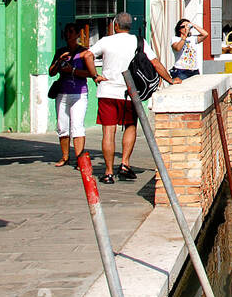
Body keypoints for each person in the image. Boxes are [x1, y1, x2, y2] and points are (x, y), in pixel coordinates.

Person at [90, 12, 179, 184]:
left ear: (115, 25)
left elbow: (87, 55)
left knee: (109, 132)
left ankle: (108, 172)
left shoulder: (106, 41)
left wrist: (95, 75)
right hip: (130, 93)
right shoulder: (139, 41)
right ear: (129, 26)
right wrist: (169, 80)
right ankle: (125, 164)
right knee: (130, 127)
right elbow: (156, 63)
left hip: (107, 92)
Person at [47, 22, 95, 167]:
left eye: (71, 32)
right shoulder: (61, 51)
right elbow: (51, 72)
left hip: (79, 93)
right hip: (62, 93)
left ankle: (80, 158)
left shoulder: (84, 52)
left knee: (77, 126)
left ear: (77, 35)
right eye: (66, 32)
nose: (68, 35)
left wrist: (72, 71)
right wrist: (59, 61)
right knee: (62, 126)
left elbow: (90, 73)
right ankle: (65, 156)